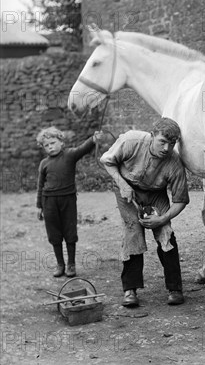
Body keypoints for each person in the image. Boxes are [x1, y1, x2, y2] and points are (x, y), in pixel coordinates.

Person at [100, 117, 189, 307]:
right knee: (133, 231)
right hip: (127, 187)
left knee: (166, 234)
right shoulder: (131, 141)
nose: (166, 148)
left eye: (171, 143)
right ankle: (130, 290)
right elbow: (107, 160)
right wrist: (122, 184)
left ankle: (175, 289)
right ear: (152, 136)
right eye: (162, 142)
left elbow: (180, 201)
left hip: (156, 194)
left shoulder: (174, 163)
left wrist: (162, 218)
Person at [36, 127, 102, 277]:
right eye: (46, 145)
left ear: (61, 142)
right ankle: (60, 264)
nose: (50, 147)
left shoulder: (70, 155)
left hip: (68, 200)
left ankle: (71, 265)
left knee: (70, 231)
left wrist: (93, 139)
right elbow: (40, 186)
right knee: (54, 233)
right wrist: (39, 206)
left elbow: (82, 149)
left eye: (53, 143)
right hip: (49, 201)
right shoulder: (44, 164)